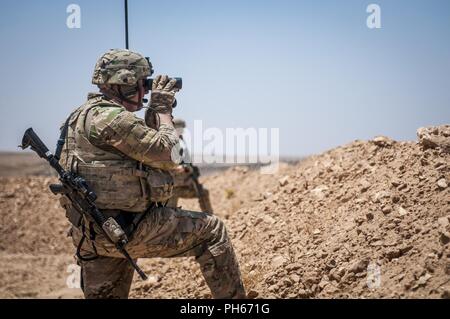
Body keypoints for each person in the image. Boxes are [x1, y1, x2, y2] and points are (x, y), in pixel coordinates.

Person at [58, 48, 246, 299]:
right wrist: (163, 111)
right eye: (141, 84)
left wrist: (149, 118)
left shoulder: (80, 116)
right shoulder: (113, 118)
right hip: (129, 228)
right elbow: (171, 155)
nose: (145, 92)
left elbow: (138, 151)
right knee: (212, 230)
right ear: (124, 83)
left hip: (93, 233)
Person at [166, 118, 214, 213]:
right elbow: (166, 165)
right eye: (180, 128)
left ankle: (210, 218)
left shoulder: (180, 141)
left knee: (203, 192)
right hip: (172, 186)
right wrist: (181, 168)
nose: (182, 131)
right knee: (169, 211)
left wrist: (188, 169)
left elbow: (184, 162)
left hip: (183, 183)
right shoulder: (169, 143)